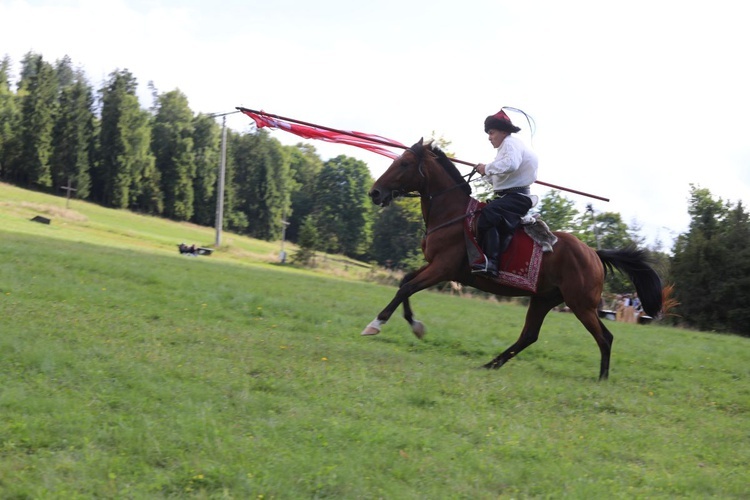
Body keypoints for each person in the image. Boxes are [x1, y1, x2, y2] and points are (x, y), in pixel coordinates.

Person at [472, 108, 539, 277]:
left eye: (491, 132)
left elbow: (511, 165)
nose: (489, 137)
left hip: (518, 198)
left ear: (503, 131)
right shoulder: (505, 149)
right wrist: (484, 172)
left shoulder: (510, 144)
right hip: (511, 195)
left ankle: (492, 264)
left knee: (489, 213)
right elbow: (499, 178)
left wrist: (486, 168)